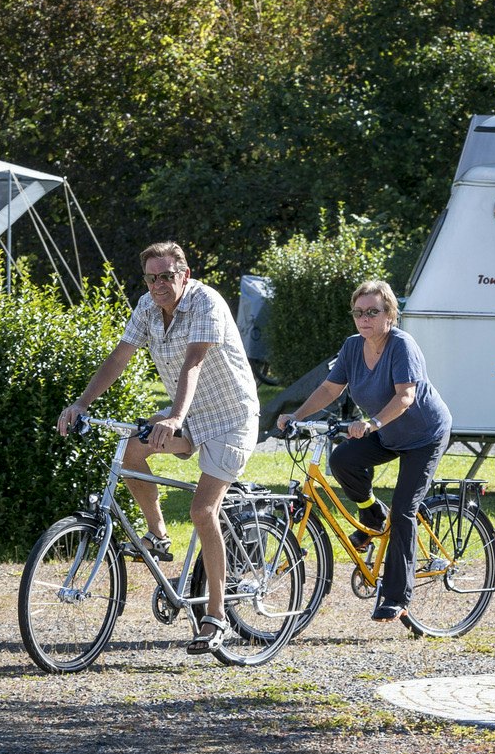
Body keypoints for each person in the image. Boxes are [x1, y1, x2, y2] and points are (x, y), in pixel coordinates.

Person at [57, 242, 260, 655]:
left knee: (204, 510)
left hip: (230, 417)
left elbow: (194, 364)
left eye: (167, 276)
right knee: (132, 451)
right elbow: (120, 356)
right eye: (151, 277)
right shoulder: (147, 307)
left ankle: (216, 618)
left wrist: (172, 418)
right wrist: (81, 403)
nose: (159, 285)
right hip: (188, 414)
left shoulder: (206, 303)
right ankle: (158, 535)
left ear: (184, 274)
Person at [277, 279, 452, 623]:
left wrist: (371, 423)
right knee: (342, 459)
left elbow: (406, 397)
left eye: (372, 311)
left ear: (390, 314)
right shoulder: (353, 347)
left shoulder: (402, 345)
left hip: (423, 435)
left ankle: (397, 596)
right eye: (358, 312)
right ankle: (372, 516)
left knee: (403, 510)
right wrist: (296, 416)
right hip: (388, 434)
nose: (364, 318)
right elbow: (330, 388)